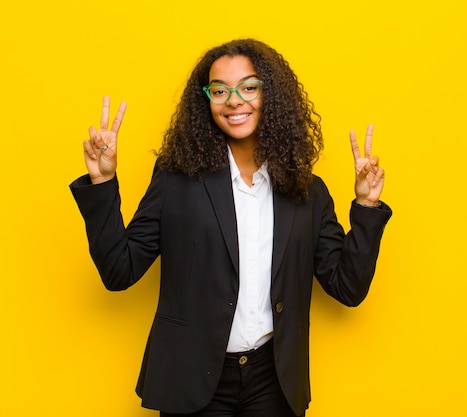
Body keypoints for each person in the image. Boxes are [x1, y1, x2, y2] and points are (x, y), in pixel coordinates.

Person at [70, 38, 392, 417]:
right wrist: (102, 184)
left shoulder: (308, 192)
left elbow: (347, 287)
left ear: (270, 94)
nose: (234, 100)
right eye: (220, 90)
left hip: (274, 382)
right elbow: (118, 271)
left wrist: (367, 206)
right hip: (193, 380)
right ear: (206, 101)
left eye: (248, 87)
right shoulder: (176, 181)